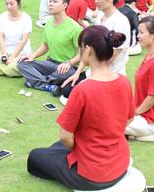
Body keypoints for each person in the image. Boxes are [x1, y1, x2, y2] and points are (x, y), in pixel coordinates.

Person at [27, 26, 135, 190]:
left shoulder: (83, 89)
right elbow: (129, 118)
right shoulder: (124, 81)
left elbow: (65, 136)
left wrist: (84, 148)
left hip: (92, 175)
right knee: (57, 147)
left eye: (80, 48)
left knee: (35, 157)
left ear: (88, 50)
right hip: (119, 162)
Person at [61, 0, 131, 100]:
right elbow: (88, 50)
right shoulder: (99, 17)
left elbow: (111, 57)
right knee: (67, 88)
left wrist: (92, 79)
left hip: (110, 73)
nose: (95, 1)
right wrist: (77, 73)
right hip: (95, 68)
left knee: (73, 94)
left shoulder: (121, 21)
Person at [17, 0, 82, 96]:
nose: (50, 4)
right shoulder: (48, 23)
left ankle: (34, 81)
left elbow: (82, 54)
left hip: (66, 67)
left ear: (65, 5)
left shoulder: (75, 28)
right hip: (50, 63)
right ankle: (47, 85)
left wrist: (69, 63)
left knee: (66, 73)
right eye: (50, 1)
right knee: (22, 63)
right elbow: (45, 45)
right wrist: (32, 56)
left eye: (55, 1)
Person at [126, 16, 154, 138]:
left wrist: (134, 114)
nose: (138, 36)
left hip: (151, 120)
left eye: (141, 32)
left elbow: (152, 98)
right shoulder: (150, 56)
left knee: (110, 123)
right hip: (141, 113)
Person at [0, 0, 32, 77]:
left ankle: (1, 70)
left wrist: (13, 57)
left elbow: (24, 40)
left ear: (18, 4)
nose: (8, 6)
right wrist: (4, 53)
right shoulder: (2, 16)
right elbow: (1, 36)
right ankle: (7, 70)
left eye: (11, 4)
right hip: (6, 51)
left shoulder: (26, 18)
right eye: (7, 4)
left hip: (21, 53)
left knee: (17, 66)